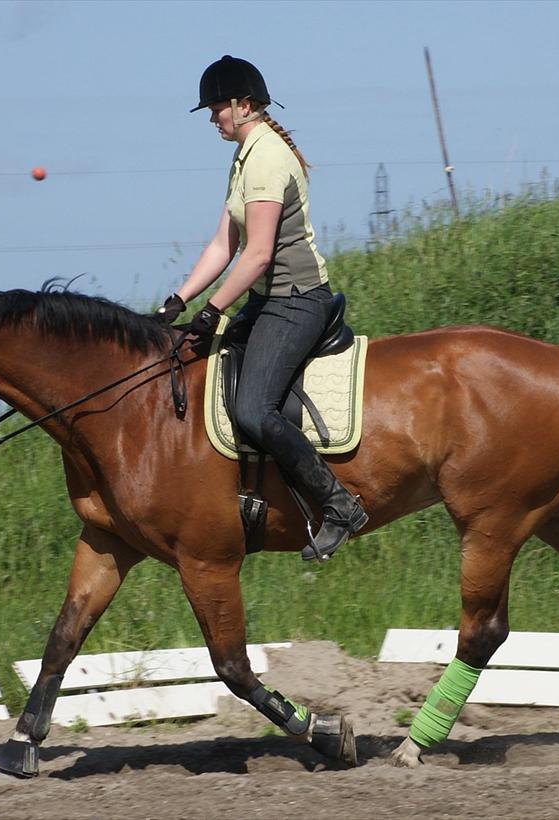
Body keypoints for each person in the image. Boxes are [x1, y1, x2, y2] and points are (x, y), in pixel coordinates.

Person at [155, 55, 367, 562]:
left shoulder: (269, 158)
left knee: (253, 408)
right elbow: (222, 245)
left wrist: (214, 308)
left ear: (244, 105)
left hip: (296, 300)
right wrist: (178, 302)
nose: (212, 118)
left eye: (216, 109)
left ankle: (338, 505)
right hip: (267, 297)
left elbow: (259, 253)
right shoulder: (245, 155)